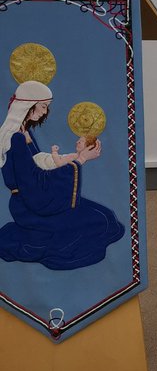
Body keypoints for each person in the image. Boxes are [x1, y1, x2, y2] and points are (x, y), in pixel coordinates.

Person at [0, 80, 124, 270]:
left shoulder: (24, 133)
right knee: (99, 223)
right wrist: (80, 160)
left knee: (106, 217)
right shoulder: (15, 138)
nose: (44, 112)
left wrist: (70, 158)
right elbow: (33, 181)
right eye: (42, 107)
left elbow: (38, 162)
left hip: (38, 198)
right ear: (27, 106)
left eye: (46, 108)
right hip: (30, 206)